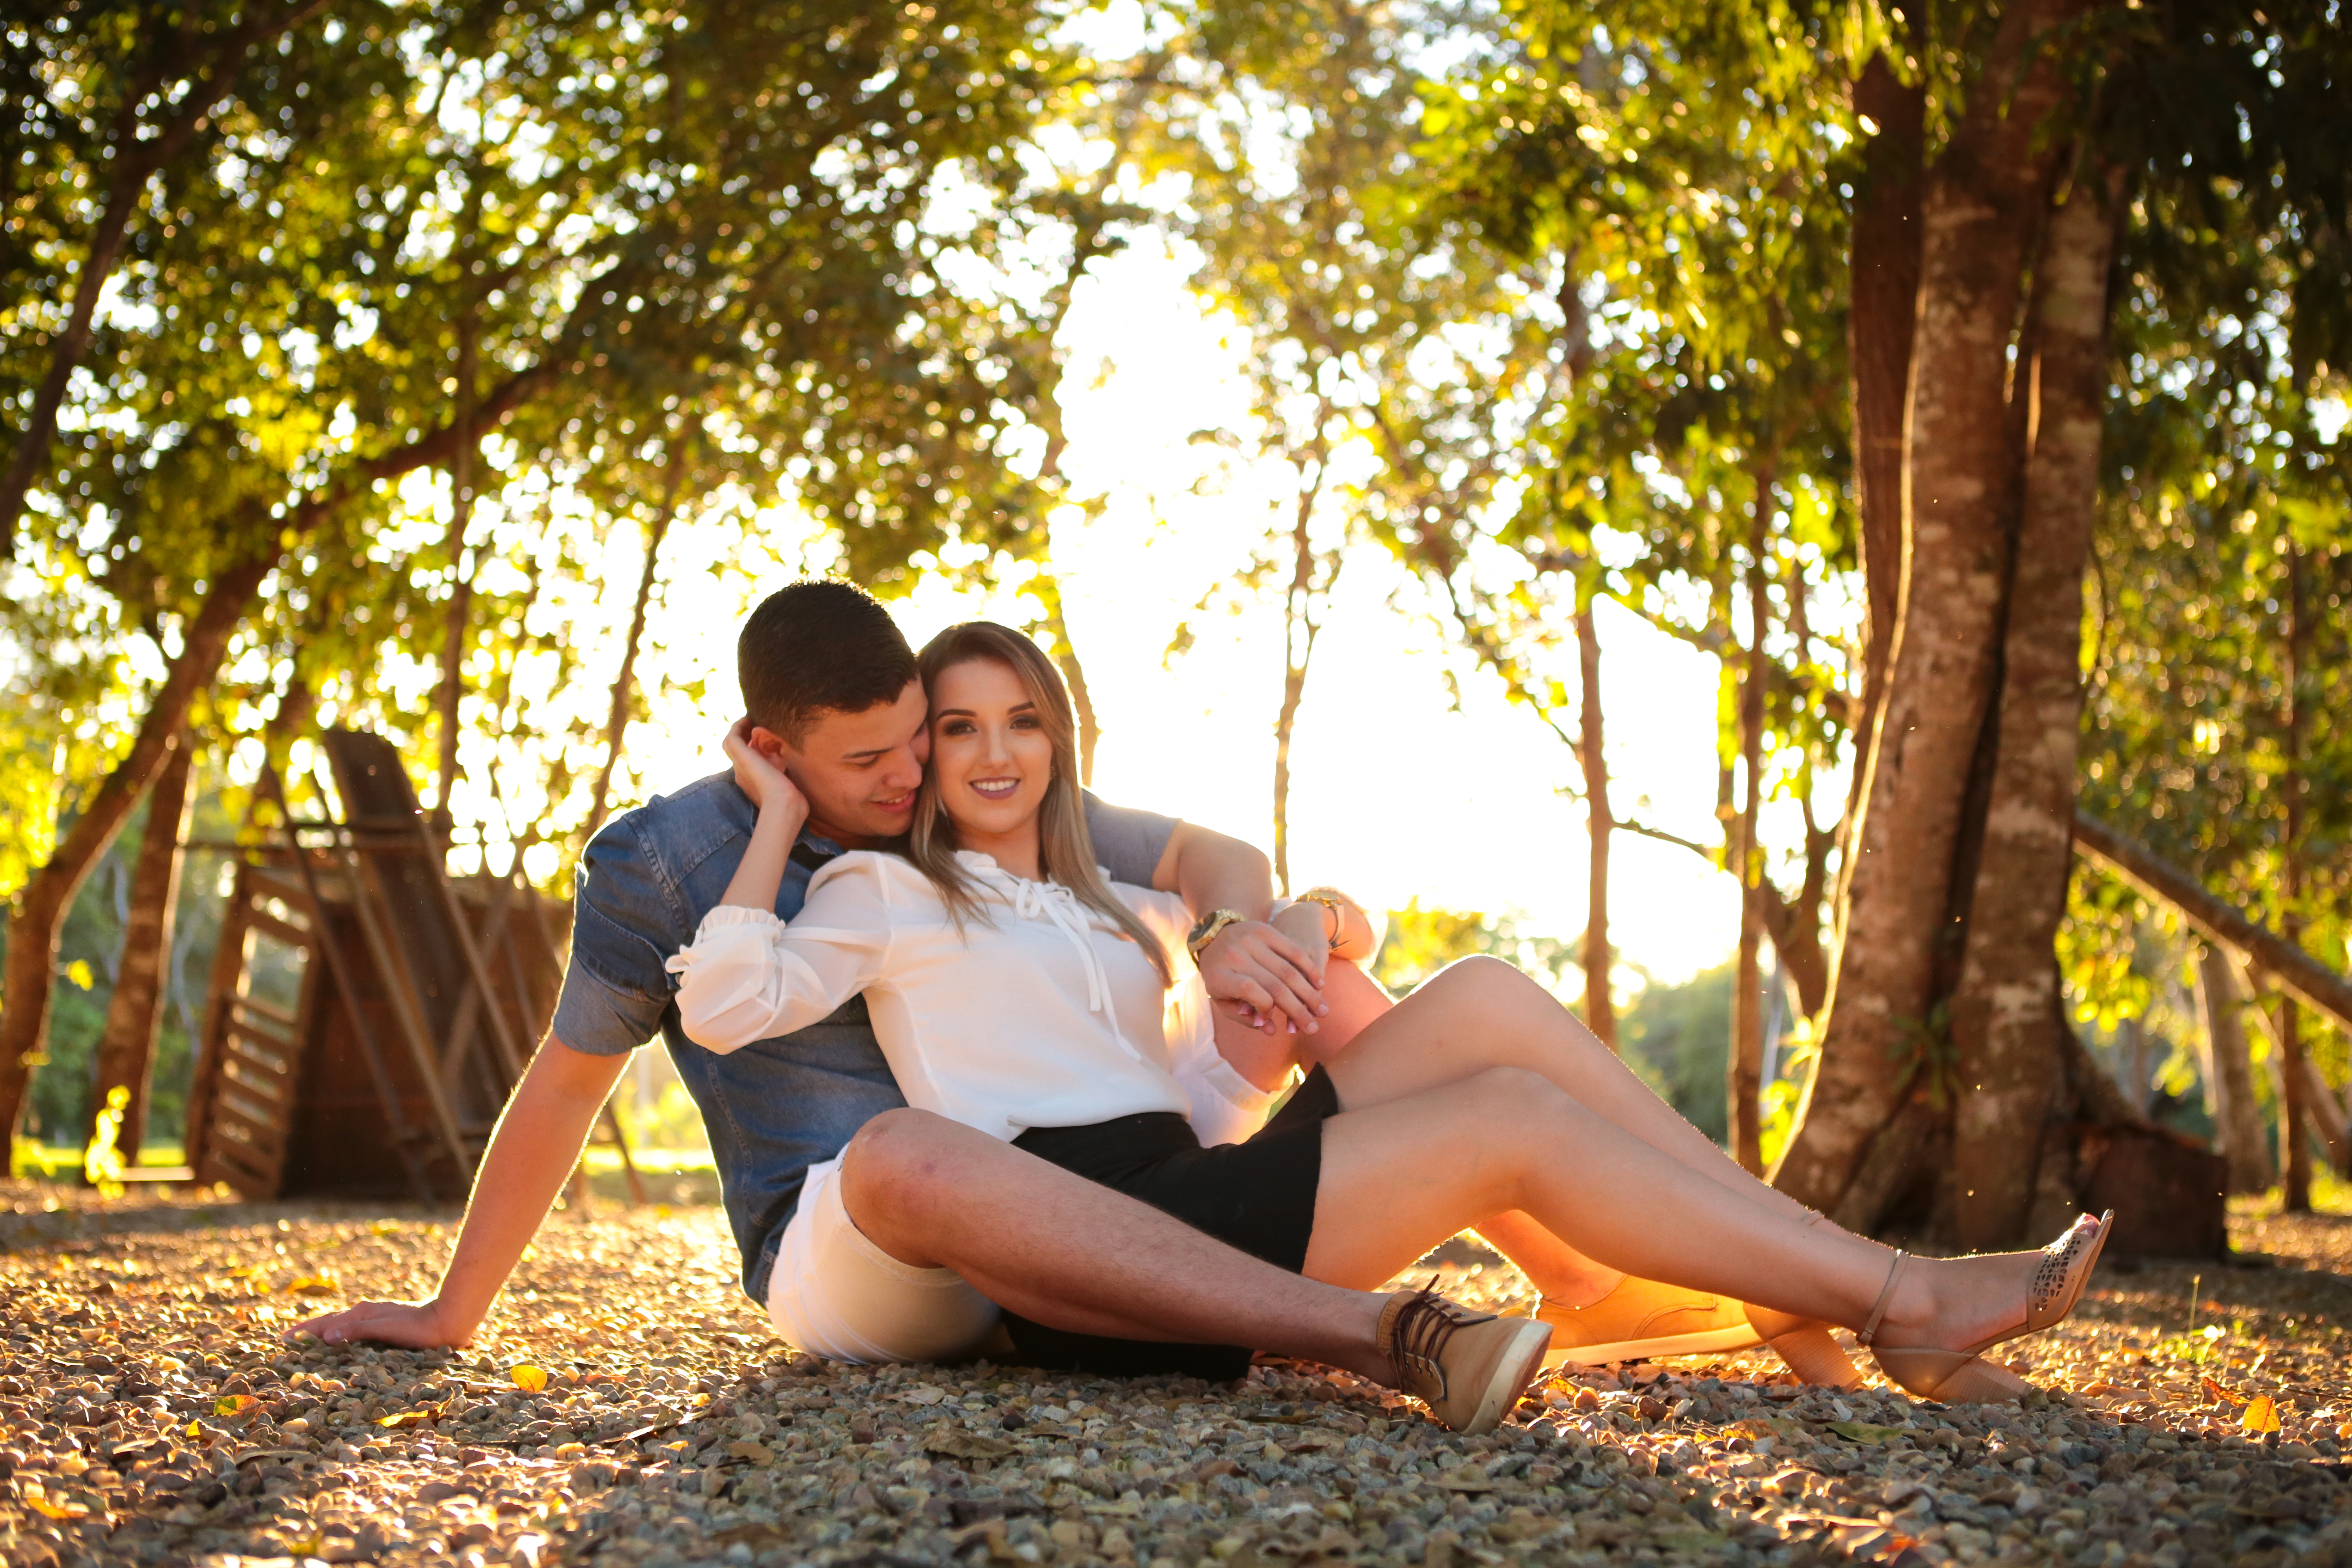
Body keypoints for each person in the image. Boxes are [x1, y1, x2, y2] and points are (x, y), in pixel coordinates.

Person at [294, 581, 1746, 1432]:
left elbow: (1203, 858)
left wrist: (1254, 928)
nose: (913, 781)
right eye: (873, 762)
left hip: (1075, 1186)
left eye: (922, 743)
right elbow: (568, 1077)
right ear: (771, 750)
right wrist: (453, 1308)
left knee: (1390, 991)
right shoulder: (669, 866)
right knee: (914, 1165)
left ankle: (1647, 1268)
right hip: (863, 1235)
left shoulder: (972, 806)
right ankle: (1375, 1330)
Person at [668, 617, 2114, 1413]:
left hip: (1197, 1169)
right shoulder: (880, 888)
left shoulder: (1114, 899)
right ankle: (1890, 1300)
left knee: (1482, 995)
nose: (992, 752)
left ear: (1063, 738)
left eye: (1021, 719)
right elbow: (730, 1006)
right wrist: (777, 810)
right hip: (1097, 1228)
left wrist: (1280, 933)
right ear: (921, 756)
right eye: (959, 728)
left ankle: (1821, 1282)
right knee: (1509, 1128)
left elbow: (1232, 1002)